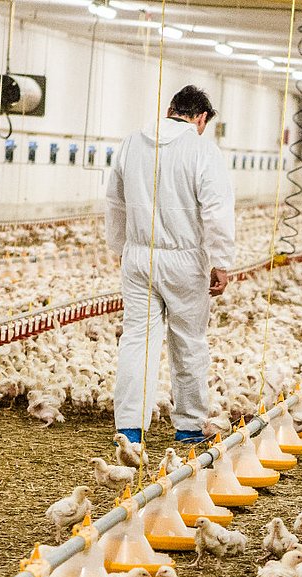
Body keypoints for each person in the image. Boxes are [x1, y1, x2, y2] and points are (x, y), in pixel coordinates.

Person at [104, 85, 235, 448]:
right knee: (188, 340)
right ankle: (189, 425)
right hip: (184, 260)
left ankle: (130, 428)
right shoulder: (203, 148)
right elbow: (216, 209)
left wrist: (120, 247)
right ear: (201, 118)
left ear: (171, 109)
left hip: (137, 257)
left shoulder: (131, 142)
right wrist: (221, 261)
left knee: (136, 340)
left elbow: (115, 201)